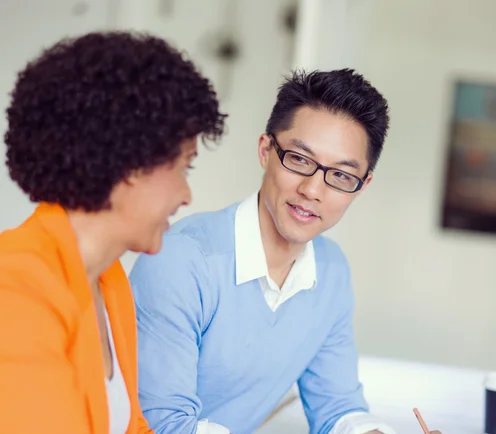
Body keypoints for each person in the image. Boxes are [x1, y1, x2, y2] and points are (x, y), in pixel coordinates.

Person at [130, 68, 393, 434]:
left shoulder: (331, 271)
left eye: (341, 176)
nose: (313, 190)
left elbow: (337, 407)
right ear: (266, 150)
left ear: (361, 186)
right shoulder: (181, 260)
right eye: (300, 160)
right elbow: (161, 424)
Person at [0, 31, 226, 434]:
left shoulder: (111, 281)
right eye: (182, 167)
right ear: (131, 163)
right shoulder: (15, 289)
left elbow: (131, 426)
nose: (186, 194)